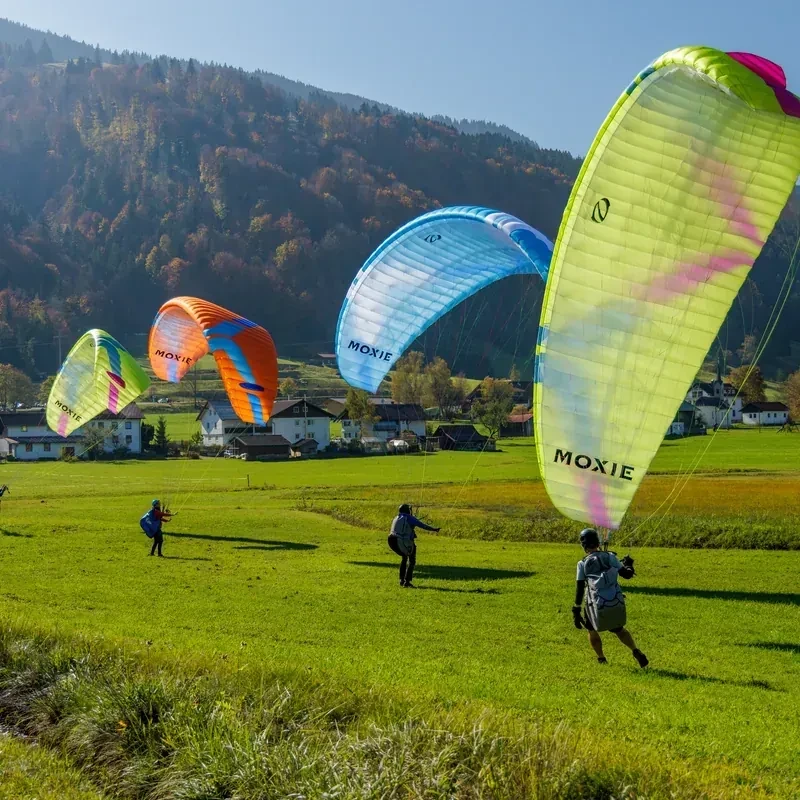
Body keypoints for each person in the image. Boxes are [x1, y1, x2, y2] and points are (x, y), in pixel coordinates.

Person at [572, 528, 648, 667]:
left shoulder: (582, 564)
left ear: (584, 545)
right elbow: (627, 574)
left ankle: (601, 658)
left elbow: (579, 588)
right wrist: (629, 564)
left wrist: (576, 609)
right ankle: (635, 650)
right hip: (614, 601)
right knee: (619, 630)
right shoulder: (610, 557)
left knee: (592, 630)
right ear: (597, 542)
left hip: (594, 604)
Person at [388, 504, 439, 588]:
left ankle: (401, 580)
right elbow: (423, 526)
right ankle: (407, 582)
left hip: (391, 540)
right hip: (401, 540)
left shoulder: (396, 517)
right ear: (407, 510)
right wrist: (434, 529)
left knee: (404, 558)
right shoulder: (409, 518)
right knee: (412, 560)